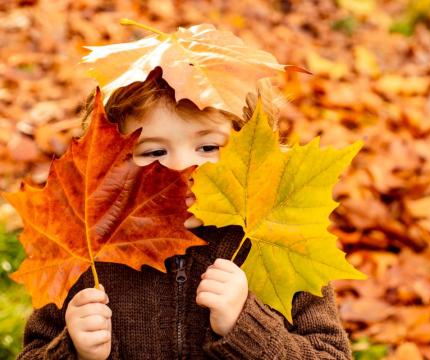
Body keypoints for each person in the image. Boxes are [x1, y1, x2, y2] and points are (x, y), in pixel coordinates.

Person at [16, 66, 354, 359]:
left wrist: (247, 326)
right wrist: (73, 350)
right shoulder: (88, 252)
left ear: (254, 154)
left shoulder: (278, 242)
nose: (180, 168)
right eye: (154, 151)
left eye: (208, 147)